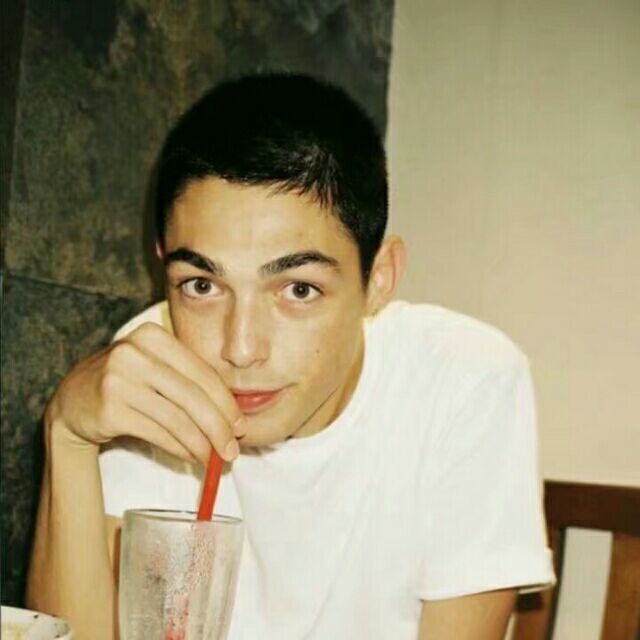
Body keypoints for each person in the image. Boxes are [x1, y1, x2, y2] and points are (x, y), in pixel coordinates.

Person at [26, 73, 554, 640]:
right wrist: (68, 434)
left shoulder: (464, 381)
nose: (240, 349)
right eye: (202, 285)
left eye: (298, 289)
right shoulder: (153, 363)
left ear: (378, 278)